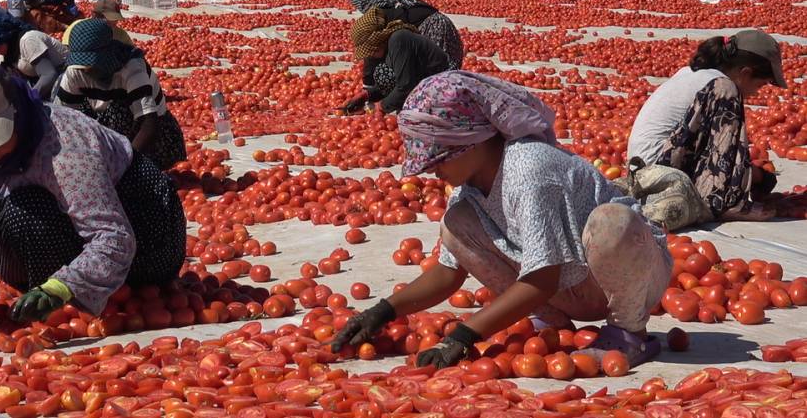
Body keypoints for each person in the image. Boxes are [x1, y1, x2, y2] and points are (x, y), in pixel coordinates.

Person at [332, 71, 672, 370]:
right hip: (571, 286)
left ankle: (629, 332)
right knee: (455, 224)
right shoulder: (469, 189)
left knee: (611, 223)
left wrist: (465, 335)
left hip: (631, 275)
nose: (433, 170)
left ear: (472, 142)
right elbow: (448, 272)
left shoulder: (529, 169)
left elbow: (543, 279)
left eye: (439, 157)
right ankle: (553, 323)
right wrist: (383, 312)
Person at [0, 62, 185, 340]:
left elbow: (113, 235)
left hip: (146, 231)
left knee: (26, 212)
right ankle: (57, 289)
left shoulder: (63, 142)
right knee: (19, 210)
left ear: (17, 113)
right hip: (69, 240)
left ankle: (74, 288)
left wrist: (61, 287)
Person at [632, 31, 786, 222]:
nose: (756, 92)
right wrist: (737, 187)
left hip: (639, 172)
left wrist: (755, 176)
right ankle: (724, 203)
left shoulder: (693, 72)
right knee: (727, 93)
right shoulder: (723, 86)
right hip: (660, 176)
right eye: (761, 85)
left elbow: (704, 147)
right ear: (745, 73)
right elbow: (720, 149)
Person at [55, 19, 186, 170]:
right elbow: (62, 117)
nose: (84, 69)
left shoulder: (132, 68)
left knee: (117, 108)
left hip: (151, 138)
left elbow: (149, 124)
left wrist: (124, 164)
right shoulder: (76, 70)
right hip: (108, 132)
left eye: (89, 62)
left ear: (105, 55)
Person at [349, 0, 464, 100]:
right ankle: (441, 89)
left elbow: (372, 52)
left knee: (388, 73)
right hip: (446, 31)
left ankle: (428, 96)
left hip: (431, 32)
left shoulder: (378, 11)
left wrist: (368, 91)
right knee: (440, 75)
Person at [343, 7, 450, 113]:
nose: (370, 55)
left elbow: (405, 85)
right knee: (382, 73)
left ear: (378, 41)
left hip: (439, 86)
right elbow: (393, 82)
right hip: (421, 81)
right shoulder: (389, 46)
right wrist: (367, 94)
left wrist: (380, 106)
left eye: (371, 51)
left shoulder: (398, 40)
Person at [0, 11, 69, 100]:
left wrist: (28, 100)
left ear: (6, 38)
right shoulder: (7, 54)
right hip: (42, 82)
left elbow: (49, 75)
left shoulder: (28, 41)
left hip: (64, 77)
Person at [63, 0, 133, 46]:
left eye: (116, 19)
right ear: (95, 15)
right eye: (110, 19)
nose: (114, 22)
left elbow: (133, 53)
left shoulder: (121, 35)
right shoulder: (76, 28)